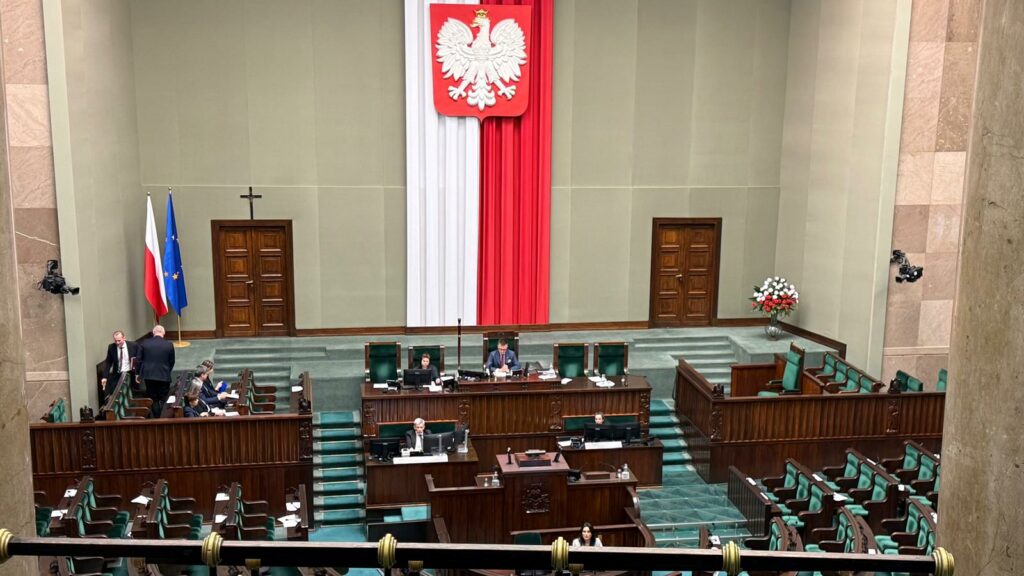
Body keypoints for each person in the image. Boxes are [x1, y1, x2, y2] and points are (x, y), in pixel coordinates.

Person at [138, 325, 175, 418]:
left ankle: (155, 417)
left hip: (149, 375)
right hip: (164, 375)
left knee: (153, 398)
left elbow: (138, 360)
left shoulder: (144, 343)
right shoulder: (169, 344)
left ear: (153, 332)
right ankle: (163, 417)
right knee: (163, 398)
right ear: (164, 333)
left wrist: (137, 374)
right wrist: (167, 371)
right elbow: (172, 361)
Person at [100, 330, 140, 402]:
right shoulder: (111, 347)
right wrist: (104, 377)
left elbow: (139, 360)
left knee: (133, 394)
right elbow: (108, 362)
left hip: (131, 373)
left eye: (119, 340)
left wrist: (138, 373)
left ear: (124, 338)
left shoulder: (134, 345)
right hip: (118, 374)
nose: (117, 343)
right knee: (117, 395)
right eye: (115, 341)